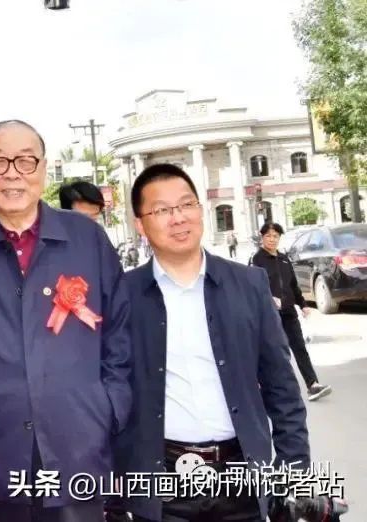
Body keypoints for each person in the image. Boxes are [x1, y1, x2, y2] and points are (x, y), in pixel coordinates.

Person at [0, 120, 130, 522]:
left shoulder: (87, 239)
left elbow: (119, 336)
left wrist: (106, 411)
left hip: (79, 448)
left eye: (25, 161)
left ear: (44, 167)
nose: (13, 174)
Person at [114, 164, 309, 522]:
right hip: (161, 484)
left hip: (242, 479)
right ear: (140, 224)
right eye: (162, 210)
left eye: (186, 204)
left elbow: (282, 389)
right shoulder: (122, 295)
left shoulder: (249, 285)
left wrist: (294, 475)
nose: (178, 218)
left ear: (200, 210)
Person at [249, 222, 332, 401]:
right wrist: (269, 298)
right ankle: (268, 388)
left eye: (275, 236)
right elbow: (252, 287)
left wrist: (303, 304)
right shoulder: (257, 260)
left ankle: (313, 385)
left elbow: (293, 284)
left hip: (288, 312)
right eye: (268, 236)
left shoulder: (284, 259)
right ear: (262, 237)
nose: (272, 239)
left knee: (299, 348)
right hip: (268, 315)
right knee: (274, 352)